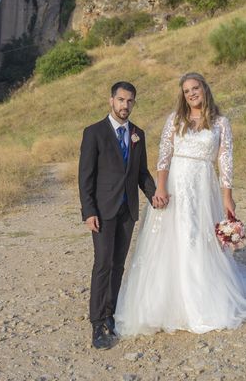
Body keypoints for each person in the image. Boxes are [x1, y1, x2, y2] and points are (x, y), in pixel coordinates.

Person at [115, 72, 246, 336]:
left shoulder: (221, 123)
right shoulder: (175, 120)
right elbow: (164, 155)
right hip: (175, 184)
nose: (191, 93)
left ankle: (202, 301)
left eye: (195, 88)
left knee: (199, 237)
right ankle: (163, 303)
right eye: (186, 91)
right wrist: (160, 186)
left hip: (203, 186)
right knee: (171, 239)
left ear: (204, 89)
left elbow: (225, 161)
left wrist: (227, 196)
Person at [78, 81, 165, 349]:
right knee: (102, 264)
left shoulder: (138, 134)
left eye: (130, 101)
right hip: (103, 212)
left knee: (118, 265)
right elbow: (85, 177)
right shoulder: (94, 133)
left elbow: (141, 173)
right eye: (121, 100)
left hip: (128, 210)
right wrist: (89, 210)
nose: (125, 105)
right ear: (111, 101)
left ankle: (112, 314)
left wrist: (154, 195)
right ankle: (97, 323)